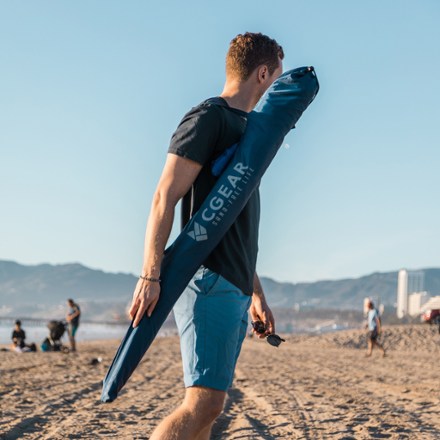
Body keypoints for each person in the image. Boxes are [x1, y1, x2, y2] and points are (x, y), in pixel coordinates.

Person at [128, 32, 284, 440]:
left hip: (233, 283)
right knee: (205, 402)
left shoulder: (249, 135)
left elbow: (231, 222)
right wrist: (150, 274)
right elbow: (165, 195)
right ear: (263, 73)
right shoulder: (209, 118)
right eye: (274, 78)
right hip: (207, 279)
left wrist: (257, 294)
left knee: (211, 407)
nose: (273, 87)